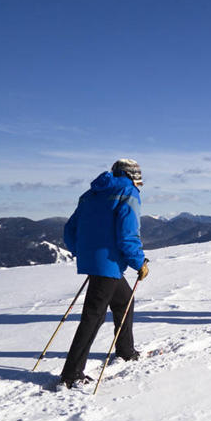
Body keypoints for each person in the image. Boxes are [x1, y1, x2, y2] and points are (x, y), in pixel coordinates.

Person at [59, 159, 149, 389]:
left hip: (96, 260)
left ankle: (126, 350)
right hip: (108, 263)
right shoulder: (128, 192)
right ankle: (71, 373)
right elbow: (127, 234)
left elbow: (70, 230)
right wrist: (139, 263)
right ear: (132, 176)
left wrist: (83, 252)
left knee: (124, 301)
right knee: (93, 316)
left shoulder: (91, 193)